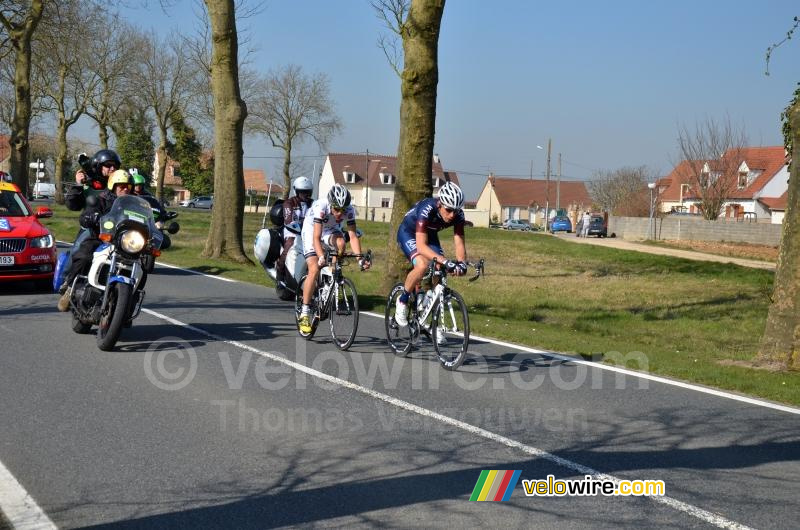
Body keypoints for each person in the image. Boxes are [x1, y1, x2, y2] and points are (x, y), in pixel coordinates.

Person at [298, 183, 370, 334]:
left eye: (342, 210)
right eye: (336, 209)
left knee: (341, 243)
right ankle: (304, 313)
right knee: (314, 268)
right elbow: (316, 238)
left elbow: (353, 235)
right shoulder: (321, 207)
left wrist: (360, 260)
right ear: (331, 204)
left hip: (330, 230)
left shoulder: (349, 210)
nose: (339, 214)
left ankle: (332, 279)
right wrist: (320, 257)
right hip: (312, 229)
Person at [394, 181, 468, 327]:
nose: (452, 215)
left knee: (440, 268)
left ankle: (429, 310)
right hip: (408, 233)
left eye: (456, 210)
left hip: (430, 233)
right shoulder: (427, 208)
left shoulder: (458, 215)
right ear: (440, 204)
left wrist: (461, 263)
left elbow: (459, 242)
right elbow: (421, 246)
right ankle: (402, 300)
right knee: (422, 265)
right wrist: (446, 261)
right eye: (449, 210)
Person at [58, 170, 132, 312]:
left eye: (128, 186)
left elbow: (146, 219)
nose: (125, 189)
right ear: (113, 185)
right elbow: (88, 212)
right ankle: (70, 285)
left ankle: (126, 307)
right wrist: (91, 216)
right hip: (100, 238)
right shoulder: (102, 198)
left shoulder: (133, 205)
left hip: (123, 243)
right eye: (121, 186)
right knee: (85, 255)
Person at [277, 176, 314, 280]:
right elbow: (289, 221)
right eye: (302, 192)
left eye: (307, 192)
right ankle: (280, 272)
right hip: (292, 232)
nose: (305, 194)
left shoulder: (313, 203)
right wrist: (299, 229)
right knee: (290, 244)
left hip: (309, 233)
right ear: (296, 191)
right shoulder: (289, 203)